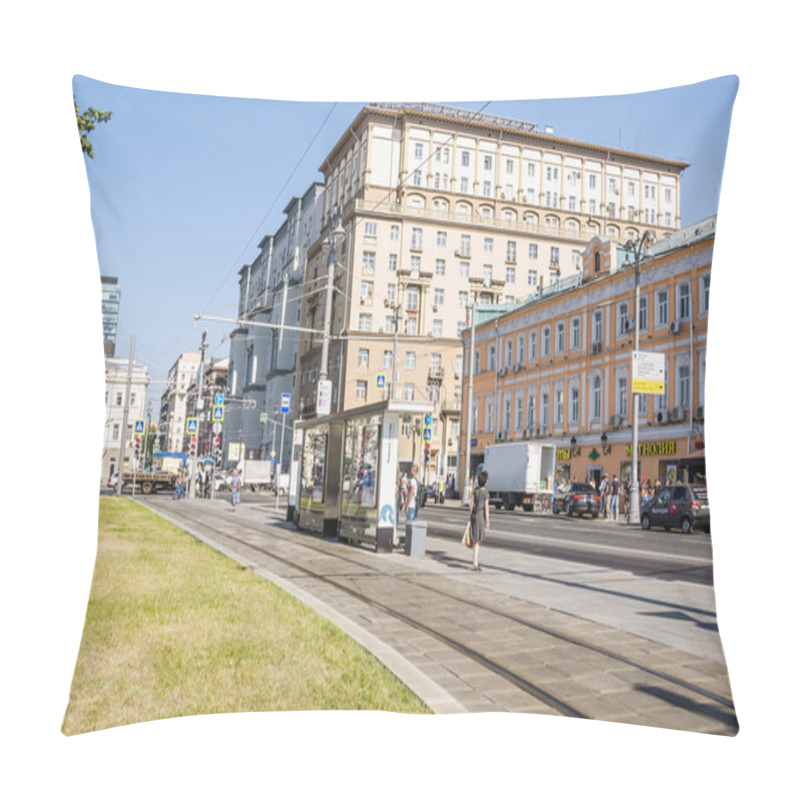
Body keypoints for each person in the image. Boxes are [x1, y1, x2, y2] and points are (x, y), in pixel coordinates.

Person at [469, 471, 490, 571]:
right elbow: (486, 508)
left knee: (475, 540)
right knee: (478, 540)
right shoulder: (485, 493)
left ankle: (474, 562)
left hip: (474, 516)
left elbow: (471, 505)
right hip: (480, 517)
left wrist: (470, 517)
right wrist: (487, 522)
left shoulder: (475, 491)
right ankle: (475, 563)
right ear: (485, 482)